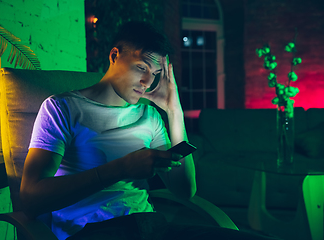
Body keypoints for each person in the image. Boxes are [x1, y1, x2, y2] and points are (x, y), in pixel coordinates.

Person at [20, 21, 281, 240]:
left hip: (150, 226)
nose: (147, 82)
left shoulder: (149, 116)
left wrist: (174, 112)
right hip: (92, 231)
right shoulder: (62, 108)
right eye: (141, 68)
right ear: (114, 56)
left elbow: (184, 190)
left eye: (155, 73)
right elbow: (30, 199)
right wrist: (121, 168)